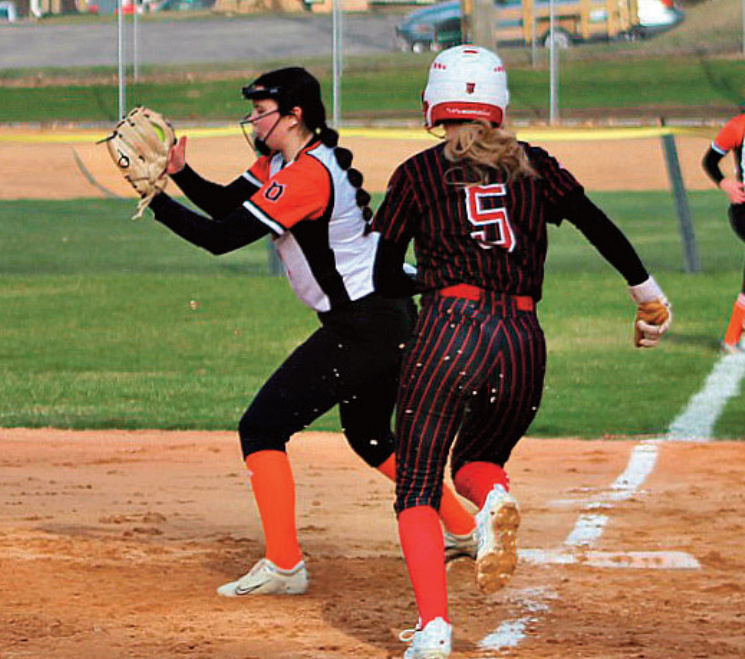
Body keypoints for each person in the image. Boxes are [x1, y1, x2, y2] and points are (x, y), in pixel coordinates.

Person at [371, 45, 672, 658]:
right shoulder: (534, 165)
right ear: (498, 105)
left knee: (420, 489)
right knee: (476, 462)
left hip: (451, 328)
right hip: (522, 339)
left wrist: (428, 275)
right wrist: (648, 296)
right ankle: (494, 498)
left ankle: (433, 630)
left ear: (436, 104)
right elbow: (598, 224)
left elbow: (382, 274)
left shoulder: (418, 172)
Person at [141, 66, 477, 596]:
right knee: (370, 438)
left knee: (262, 429)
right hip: (383, 318)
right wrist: (180, 174)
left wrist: (155, 200)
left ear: (294, 115)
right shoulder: (283, 161)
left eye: (261, 109)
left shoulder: (306, 176)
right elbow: (228, 203)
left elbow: (220, 238)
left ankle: (285, 565)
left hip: (366, 324)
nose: (253, 118)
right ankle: (464, 527)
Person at [702, 112, 745, 353]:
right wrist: (725, 183)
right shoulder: (738, 126)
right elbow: (710, 161)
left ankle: (732, 336)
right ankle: (731, 337)